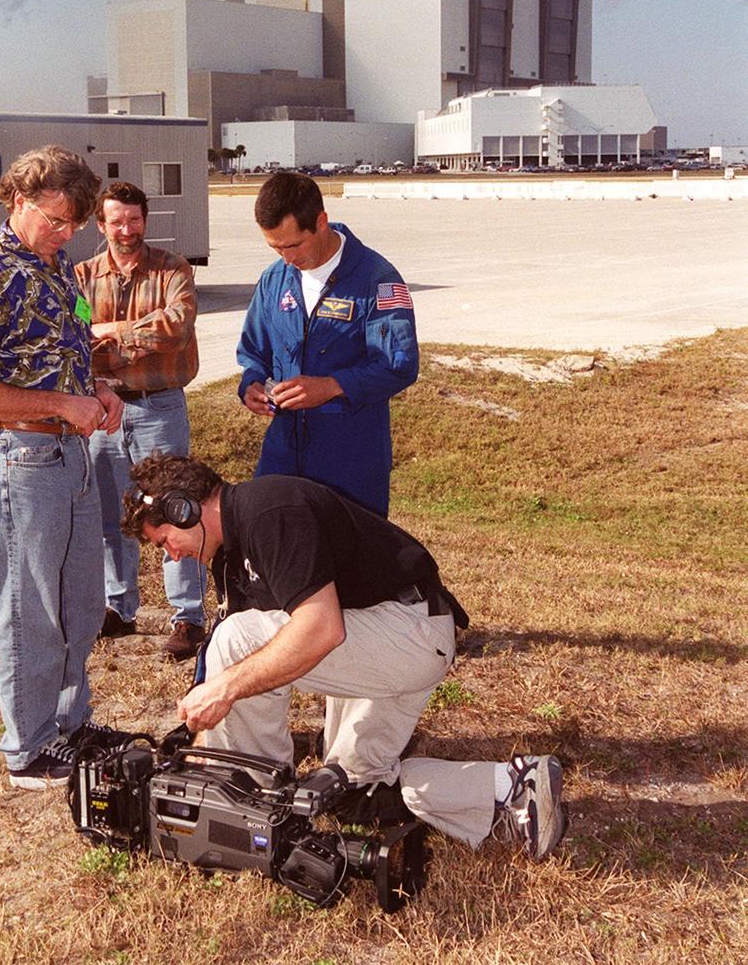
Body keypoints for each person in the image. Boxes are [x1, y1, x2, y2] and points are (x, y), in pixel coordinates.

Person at [122, 453, 569, 861]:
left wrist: (223, 689)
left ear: (185, 508)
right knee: (350, 792)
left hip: (407, 630)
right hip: (379, 641)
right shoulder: (230, 556)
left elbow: (319, 629)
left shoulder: (269, 510)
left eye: (164, 540)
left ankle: (253, 809)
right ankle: (512, 786)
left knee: (238, 641)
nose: (171, 555)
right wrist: (199, 743)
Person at [0, 145, 125, 789]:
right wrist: (60, 404)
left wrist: (97, 391)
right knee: (27, 607)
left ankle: (71, 724)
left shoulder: (57, 268)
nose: (68, 233)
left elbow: (73, 348)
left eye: (76, 223)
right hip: (22, 460)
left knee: (79, 602)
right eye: (56, 219)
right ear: (18, 199)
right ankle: (27, 746)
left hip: (70, 454)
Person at [237, 171, 419, 517]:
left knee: (350, 564)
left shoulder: (377, 279)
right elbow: (253, 353)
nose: (287, 258)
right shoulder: (274, 279)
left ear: (321, 222)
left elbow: (399, 364)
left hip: (350, 460)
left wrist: (332, 386)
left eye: (293, 245)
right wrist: (251, 385)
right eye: (275, 247)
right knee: (279, 556)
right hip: (283, 456)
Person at [75, 182, 203, 658]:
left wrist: (113, 333)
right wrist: (124, 340)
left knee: (175, 509)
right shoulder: (83, 276)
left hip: (160, 407)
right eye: (116, 221)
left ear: (145, 220)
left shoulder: (173, 269)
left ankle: (188, 617)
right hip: (104, 409)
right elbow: (77, 335)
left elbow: (176, 325)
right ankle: (119, 609)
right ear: (101, 224)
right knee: (112, 516)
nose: (126, 230)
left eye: (134, 220)